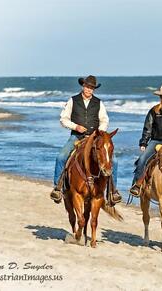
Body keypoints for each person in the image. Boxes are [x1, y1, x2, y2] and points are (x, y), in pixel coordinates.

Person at [49, 75, 122, 205]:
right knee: (61, 157)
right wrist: (75, 126)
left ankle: (112, 191)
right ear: (83, 86)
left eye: (92, 88)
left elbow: (105, 120)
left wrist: (99, 132)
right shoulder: (73, 100)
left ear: (94, 89)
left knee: (113, 161)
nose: (89, 89)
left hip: (95, 138)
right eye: (87, 87)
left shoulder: (98, 103)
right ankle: (58, 187)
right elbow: (63, 119)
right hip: (77, 137)